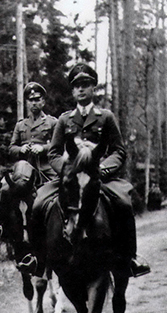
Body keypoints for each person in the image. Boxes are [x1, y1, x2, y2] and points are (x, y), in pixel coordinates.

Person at [26, 63, 150, 277]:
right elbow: (54, 152)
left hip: (99, 176)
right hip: (70, 177)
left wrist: (102, 168)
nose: (81, 89)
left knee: (123, 203)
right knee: (38, 203)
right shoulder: (64, 120)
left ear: (93, 88)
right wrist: (66, 170)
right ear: (72, 91)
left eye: (86, 84)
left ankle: (130, 258)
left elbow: (118, 151)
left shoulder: (106, 117)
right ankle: (39, 259)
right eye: (77, 86)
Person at [0, 82, 58, 238]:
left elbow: (58, 146)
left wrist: (43, 149)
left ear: (43, 102)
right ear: (27, 103)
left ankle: (63, 225)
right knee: (5, 189)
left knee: (59, 191)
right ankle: (2, 226)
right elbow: (11, 148)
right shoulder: (21, 125)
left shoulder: (52, 122)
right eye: (31, 100)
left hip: (46, 168)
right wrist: (21, 149)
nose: (34, 103)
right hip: (23, 169)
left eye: (37, 99)